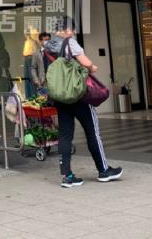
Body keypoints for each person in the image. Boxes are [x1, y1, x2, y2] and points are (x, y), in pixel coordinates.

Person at [48, 17, 122, 188]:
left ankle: (67, 176)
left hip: (60, 96)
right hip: (78, 94)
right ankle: (103, 170)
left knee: (65, 135)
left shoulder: (48, 46)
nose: (74, 33)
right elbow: (86, 63)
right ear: (67, 29)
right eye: (73, 30)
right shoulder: (69, 43)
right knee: (92, 132)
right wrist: (93, 67)